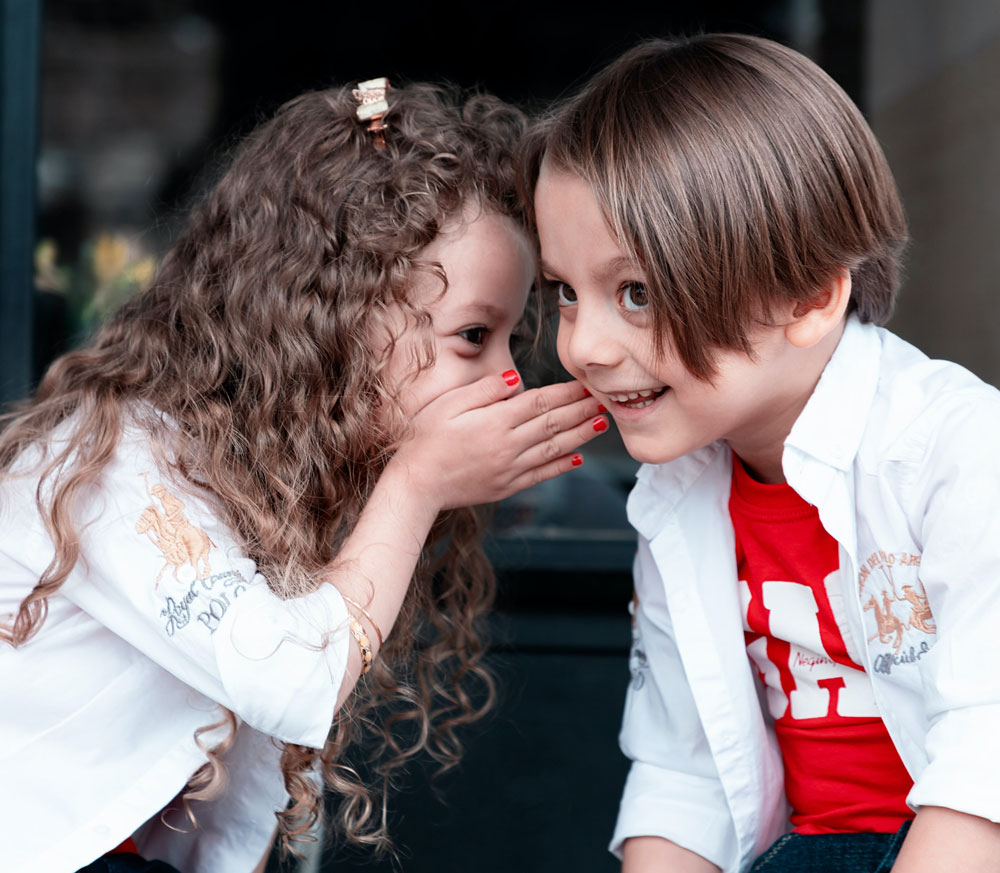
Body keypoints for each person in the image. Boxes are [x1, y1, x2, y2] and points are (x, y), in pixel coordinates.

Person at [0, 80, 608, 873]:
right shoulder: (117, 462)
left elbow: (242, 804)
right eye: (472, 336)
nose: (506, 379)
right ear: (336, 314)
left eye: (510, 337)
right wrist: (418, 483)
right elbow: (289, 680)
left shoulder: (269, 472)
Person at [521, 33, 1000, 873]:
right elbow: (684, 775)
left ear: (810, 295)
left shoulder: (958, 452)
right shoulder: (679, 493)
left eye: (636, 293)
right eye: (566, 291)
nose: (585, 347)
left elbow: (985, 768)